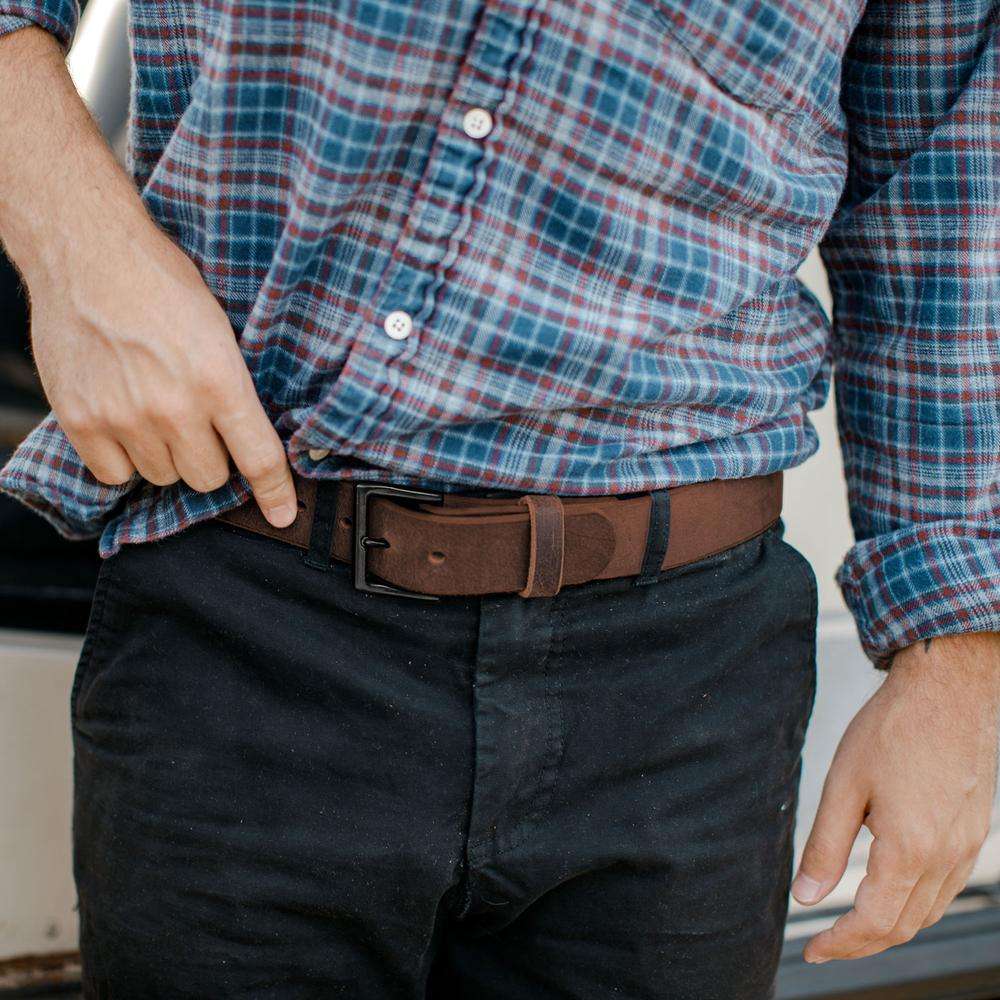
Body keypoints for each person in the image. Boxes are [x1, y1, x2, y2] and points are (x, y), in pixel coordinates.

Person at [0, 1, 997, 996]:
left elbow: (945, 181)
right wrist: (81, 252)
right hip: (254, 597)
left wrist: (959, 663)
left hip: (683, 681)